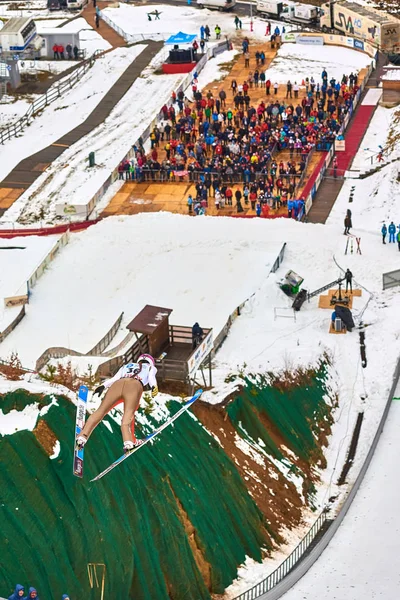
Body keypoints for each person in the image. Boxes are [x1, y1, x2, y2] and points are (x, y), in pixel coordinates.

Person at [76, 355, 158, 454]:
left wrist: (102, 386)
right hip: (134, 386)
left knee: (101, 411)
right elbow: (151, 377)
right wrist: (154, 386)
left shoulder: (127, 366)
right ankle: (128, 442)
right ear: (150, 362)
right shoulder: (150, 367)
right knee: (128, 414)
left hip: (117, 385)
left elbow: (114, 378)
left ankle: (82, 436)